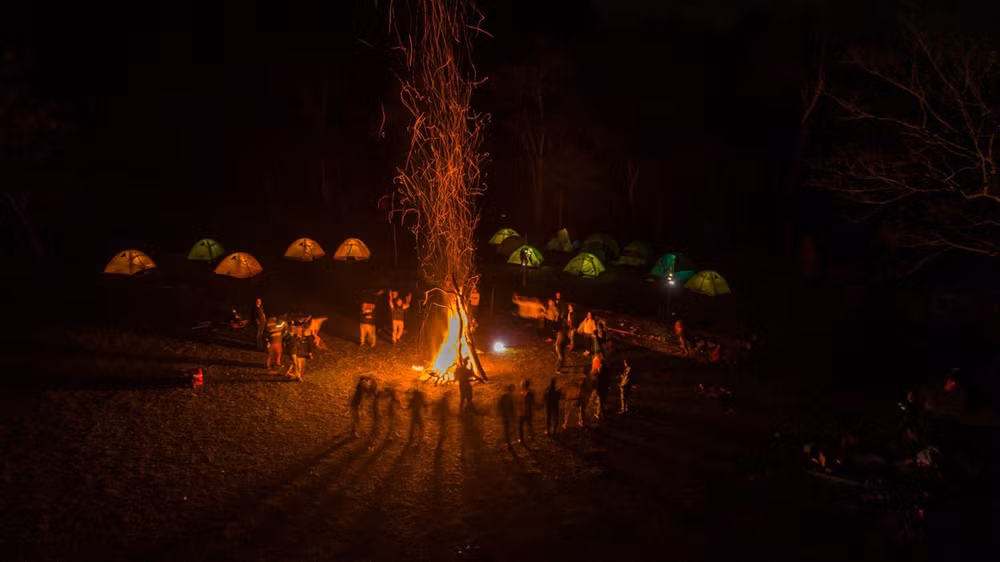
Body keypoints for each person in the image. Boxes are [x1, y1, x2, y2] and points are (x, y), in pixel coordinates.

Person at [518, 379, 536, 445]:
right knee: (522, 426)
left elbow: (532, 403)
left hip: (527, 413)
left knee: (528, 425)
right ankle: (523, 439)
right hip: (522, 413)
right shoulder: (522, 393)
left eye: (523, 385)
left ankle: (531, 437)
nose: (522, 386)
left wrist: (532, 411)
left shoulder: (530, 394)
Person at [590, 352, 605, 420]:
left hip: (592, 377)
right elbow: (599, 371)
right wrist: (601, 367)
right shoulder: (599, 361)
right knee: (599, 397)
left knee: (594, 390)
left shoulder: (594, 359)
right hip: (597, 378)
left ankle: (593, 398)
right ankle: (598, 413)